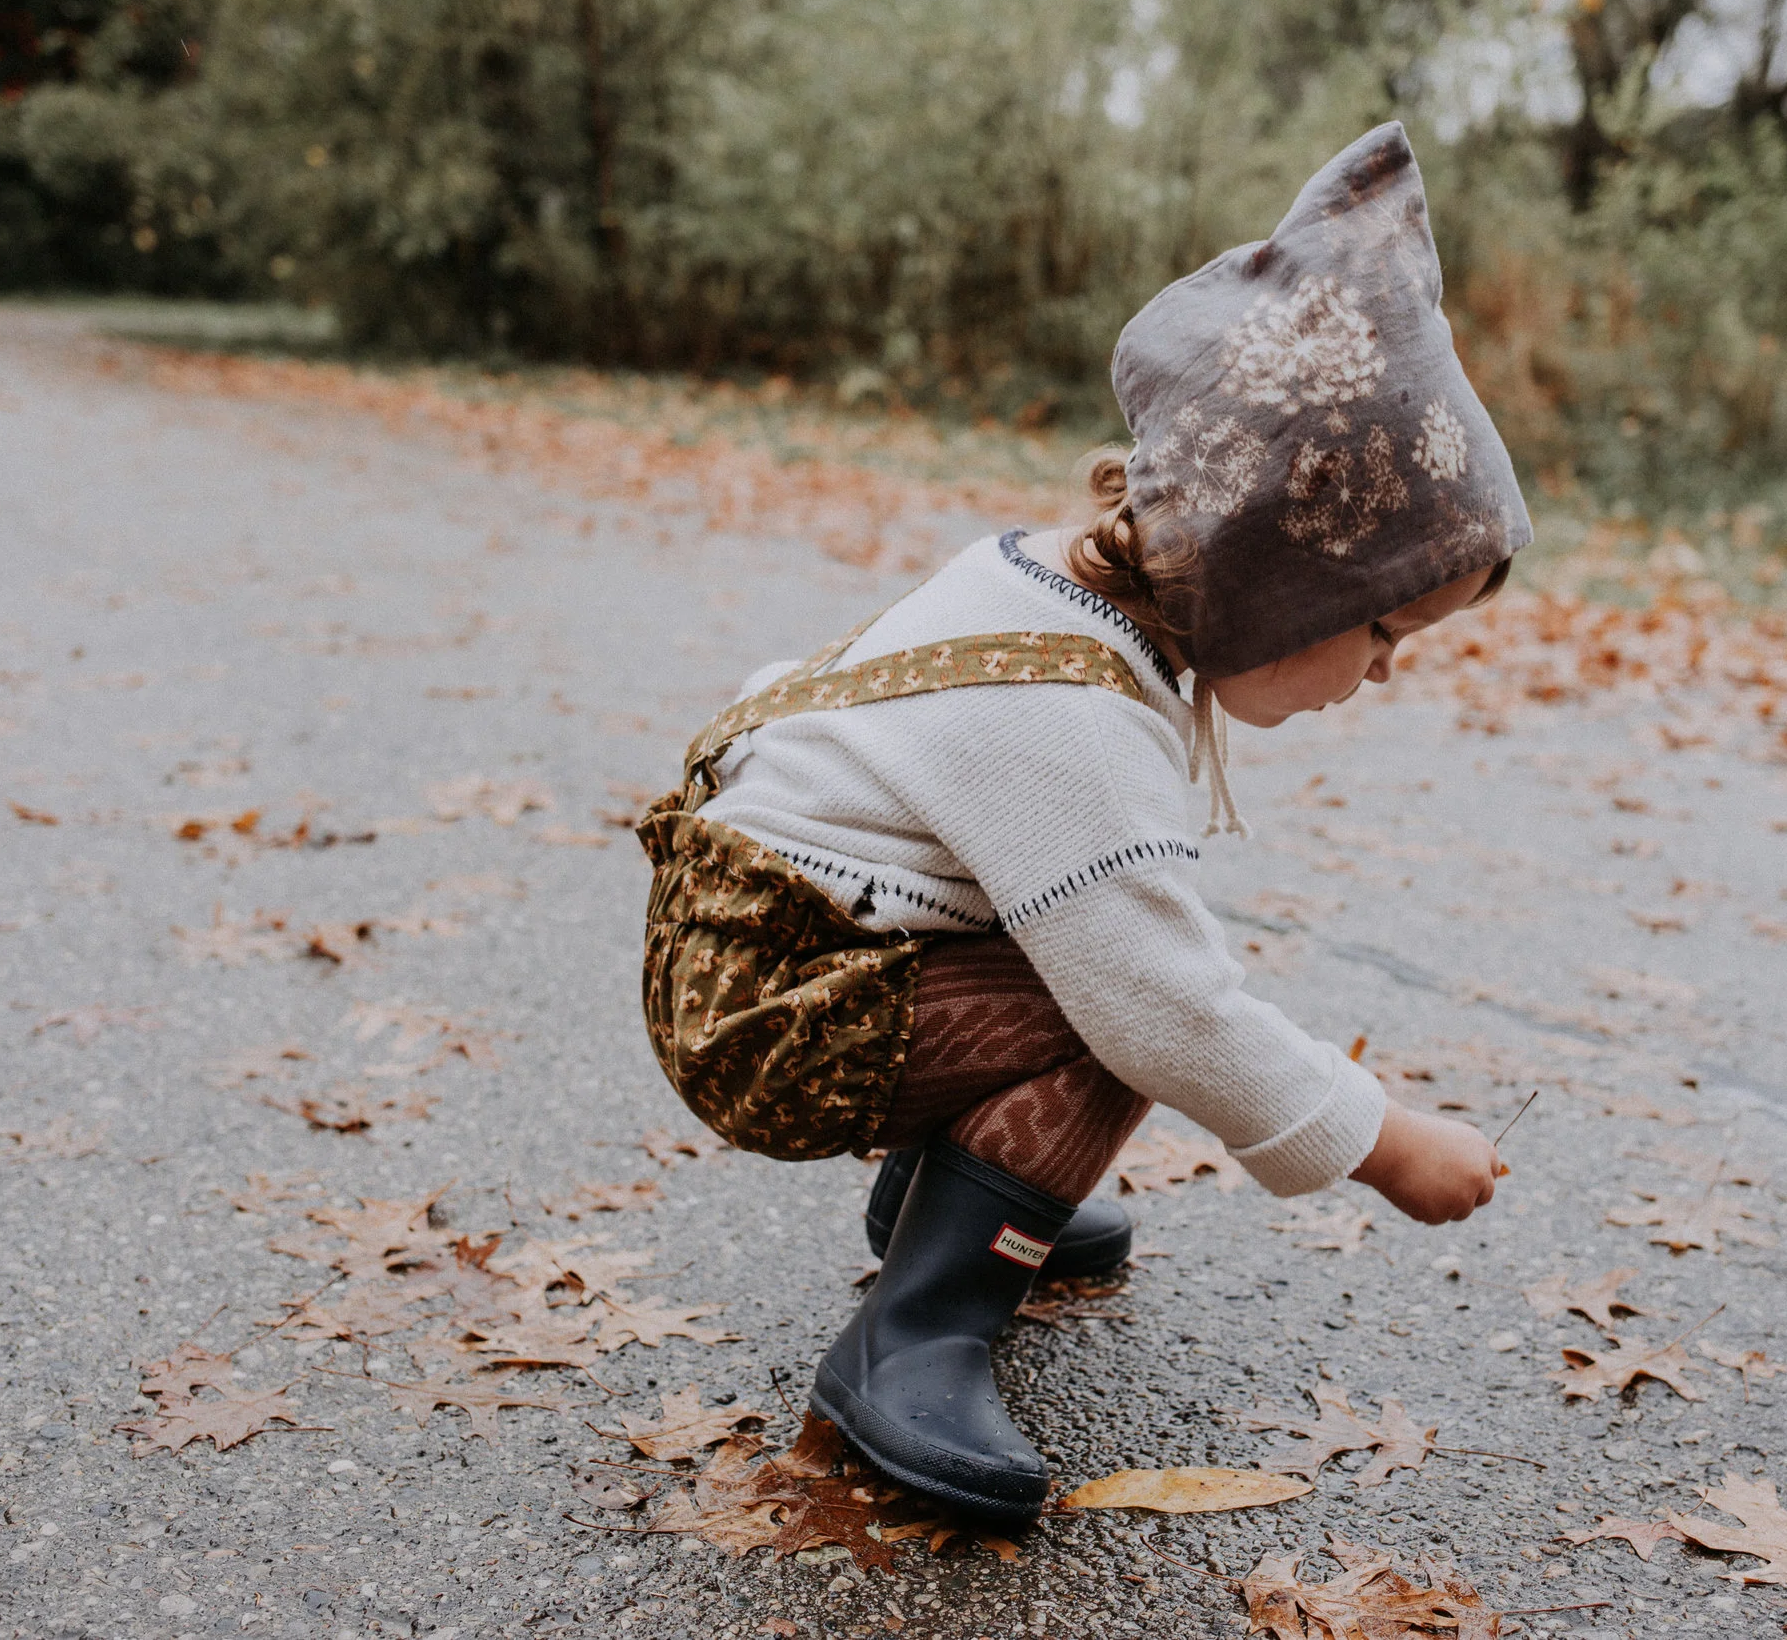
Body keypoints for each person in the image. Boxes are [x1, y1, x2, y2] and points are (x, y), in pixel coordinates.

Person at [636, 122, 1532, 1527]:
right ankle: (916, 1333)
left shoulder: (1051, 579)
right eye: (1381, 633)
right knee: (1123, 997)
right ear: (1280, 573)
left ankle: (949, 1198)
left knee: (1094, 962)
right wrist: (1384, 1139)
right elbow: (1168, 1011)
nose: (1379, 676)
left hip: (773, 942)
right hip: (771, 1010)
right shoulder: (1075, 714)